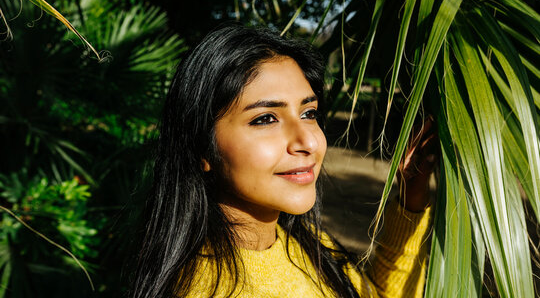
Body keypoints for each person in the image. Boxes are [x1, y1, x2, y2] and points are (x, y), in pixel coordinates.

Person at [131, 25, 436, 298]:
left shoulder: (301, 240)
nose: (308, 141)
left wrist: (409, 202)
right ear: (201, 148)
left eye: (309, 113)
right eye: (265, 119)